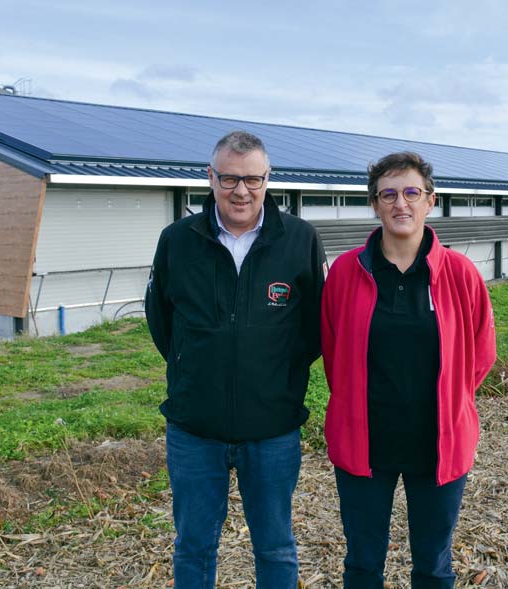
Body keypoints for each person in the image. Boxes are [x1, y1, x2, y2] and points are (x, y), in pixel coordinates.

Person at [145, 130, 326, 588]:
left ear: (268, 179)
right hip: (194, 429)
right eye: (228, 179)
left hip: (271, 430)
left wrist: (277, 380)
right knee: (193, 547)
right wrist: (195, 365)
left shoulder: (300, 240)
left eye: (252, 179)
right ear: (210, 177)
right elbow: (162, 322)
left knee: (276, 547)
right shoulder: (177, 240)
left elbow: (313, 329)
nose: (241, 191)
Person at [320, 151, 497, 588]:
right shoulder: (346, 272)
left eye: (412, 192)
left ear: (430, 200)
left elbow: (481, 351)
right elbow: (331, 349)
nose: (401, 203)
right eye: (389, 194)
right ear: (375, 204)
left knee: (434, 566)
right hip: (366, 443)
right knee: (362, 563)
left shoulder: (459, 273)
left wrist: (450, 400)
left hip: (437, 442)